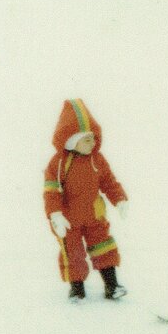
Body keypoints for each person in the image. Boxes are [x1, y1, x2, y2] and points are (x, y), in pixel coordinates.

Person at [43, 99, 129, 301]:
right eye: (87, 139)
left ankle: (112, 284)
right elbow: (51, 191)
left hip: (94, 215)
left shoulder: (97, 159)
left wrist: (119, 199)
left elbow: (108, 181)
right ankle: (77, 288)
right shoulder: (59, 163)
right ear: (73, 141)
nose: (93, 143)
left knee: (104, 247)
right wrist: (55, 214)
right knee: (72, 253)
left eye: (93, 138)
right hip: (69, 219)